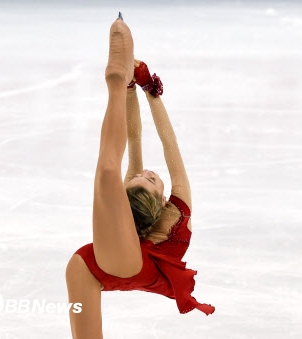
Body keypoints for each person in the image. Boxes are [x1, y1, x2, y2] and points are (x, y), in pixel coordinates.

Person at [64, 14, 215, 338]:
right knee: (79, 261)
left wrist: (144, 89)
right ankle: (119, 81)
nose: (146, 172)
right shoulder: (173, 204)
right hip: (100, 264)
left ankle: (114, 80)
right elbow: (136, 135)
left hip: (134, 264)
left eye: (144, 178)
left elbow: (164, 143)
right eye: (147, 177)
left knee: (107, 172)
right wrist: (140, 88)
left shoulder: (169, 214)